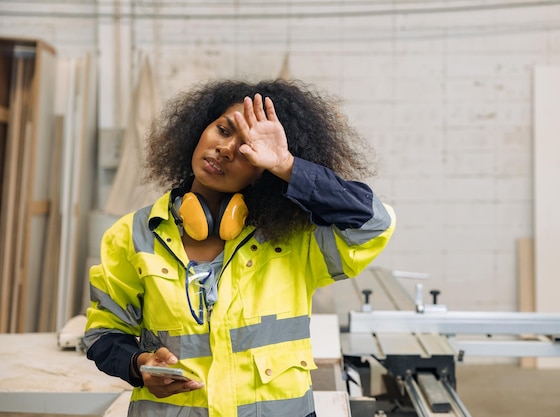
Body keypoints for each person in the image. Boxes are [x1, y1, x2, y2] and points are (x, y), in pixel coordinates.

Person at [83, 78, 396, 417]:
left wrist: (288, 166)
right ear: (199, 130)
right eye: (223, 129)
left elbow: (373, 223)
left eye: (248, 148)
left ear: (262, 173)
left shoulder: (294, 242)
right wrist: (140, 364)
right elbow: (104, 335)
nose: (227, 149)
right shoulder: (132, 236)